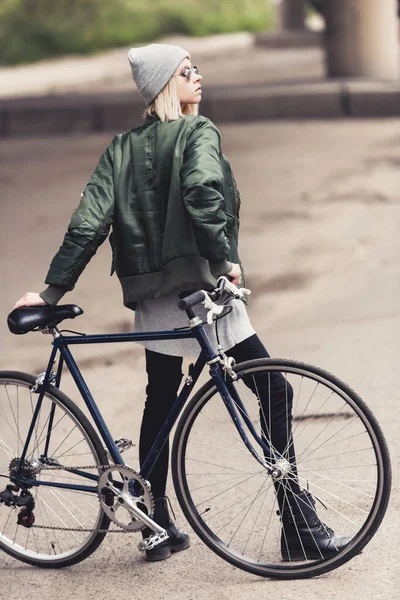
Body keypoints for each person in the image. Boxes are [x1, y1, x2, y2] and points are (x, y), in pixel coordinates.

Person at [13, 43, 348, 562]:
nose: (198, 75)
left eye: (196, 66)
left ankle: (155, 522)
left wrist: (51, 292)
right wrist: (226, 261)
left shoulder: (120, 148)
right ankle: (296, 521)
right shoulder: (198, 132)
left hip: (154, 297)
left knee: (162, 402)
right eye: (187, 70)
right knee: (274, 389)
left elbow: (89, 223)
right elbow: (201, 191)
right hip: (202, 289)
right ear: (166, 85)